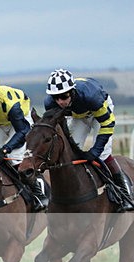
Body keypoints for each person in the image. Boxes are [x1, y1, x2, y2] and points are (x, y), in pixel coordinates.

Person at [44, 68, 134, 211]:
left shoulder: (91, 96)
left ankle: (125, 194)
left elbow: (107, 123)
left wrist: (95, 151)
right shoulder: (50, 103)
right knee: (70, 152)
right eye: (56, 97)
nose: (60, 101)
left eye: (64, 96)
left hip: (99, 113)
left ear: (72, 91)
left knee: (102, 154)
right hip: (78, 116)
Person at [0, 68, 48, 211]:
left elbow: (22, 131)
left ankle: (39, 190)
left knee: (16, 159)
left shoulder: (10, 105)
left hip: (20, 123)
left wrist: (5, 150)